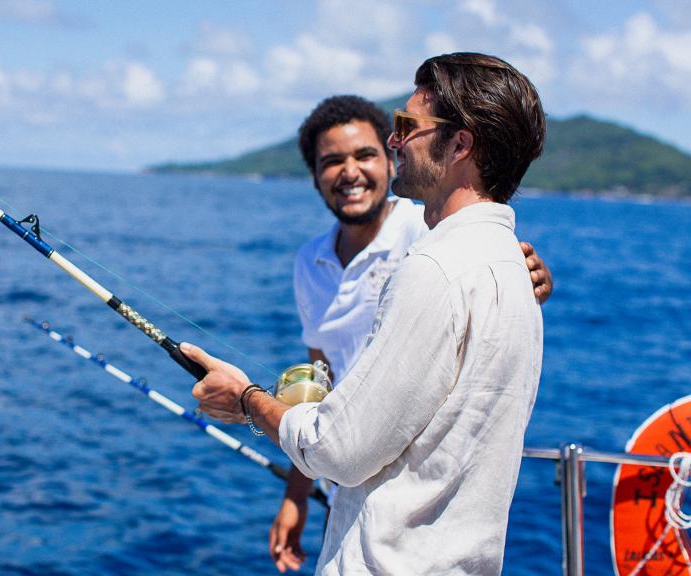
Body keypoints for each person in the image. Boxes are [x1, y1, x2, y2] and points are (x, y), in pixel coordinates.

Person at [187, 52, 547, 574]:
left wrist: (245, 400)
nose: (397, 139)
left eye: (406, 125)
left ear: (461, 143)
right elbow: (324, 385)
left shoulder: (432, 264)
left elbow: (340, 449)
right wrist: (297, 491)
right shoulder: (499, 260)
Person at [270, 96, 553, 572]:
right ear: (315, 174)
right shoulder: (309, 262)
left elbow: (486, 272)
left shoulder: (428, 231)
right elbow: (321, 377)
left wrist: (537, 275)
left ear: (390, 157)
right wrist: (297, 494)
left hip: (406, 514)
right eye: (331, 161)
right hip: (347, 484)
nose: (349, 171)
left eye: (363, 155)